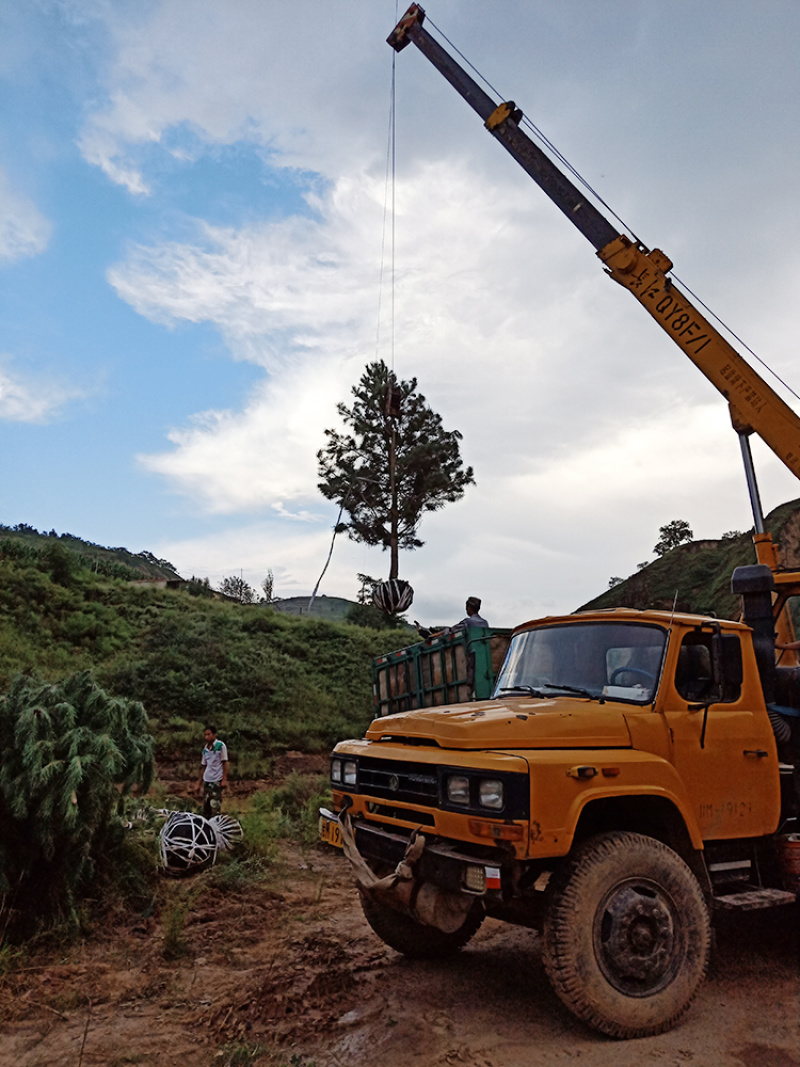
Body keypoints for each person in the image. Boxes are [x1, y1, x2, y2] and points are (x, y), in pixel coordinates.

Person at [197, 725, 228, 820]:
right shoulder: (205, 749)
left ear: (214, 735)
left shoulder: (220, 746)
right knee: (206, 807)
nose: (207, 737)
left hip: (216, 780)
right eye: (205, 735)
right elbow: (204, 766)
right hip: (207, 780)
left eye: (208, 734)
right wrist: (199, 783)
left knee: (215, 805)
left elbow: (225, 763)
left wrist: (224, 779)